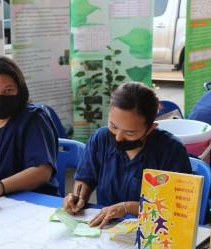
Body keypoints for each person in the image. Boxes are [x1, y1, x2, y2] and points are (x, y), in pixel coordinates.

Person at [63, 82, 192, 228]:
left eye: (130, 133)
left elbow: (177, 206)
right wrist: (78, 198)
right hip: (107, 227)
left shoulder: (171, 150)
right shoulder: (100, 139)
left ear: (150, 128)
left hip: (154, 231)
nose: (118, 137)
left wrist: (127, 208)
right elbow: (86, 178)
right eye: (113, 126)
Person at [0, 55, 59, 200]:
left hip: (30, 201)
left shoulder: (34, 119)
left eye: (8, 90)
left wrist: (0, 186)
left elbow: (42, 172)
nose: (0, 97)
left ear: (19, 89)